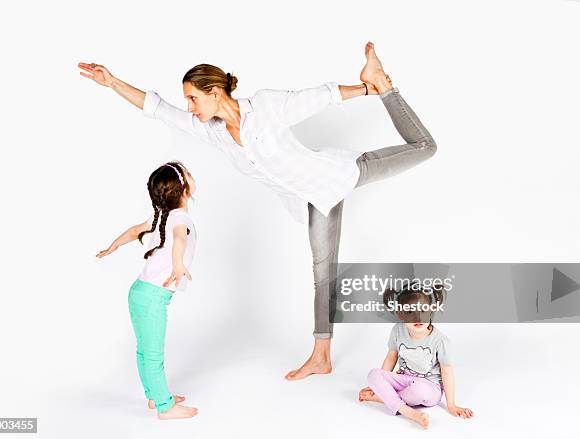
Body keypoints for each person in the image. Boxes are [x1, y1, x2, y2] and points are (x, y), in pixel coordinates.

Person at [80, 41, 438, 381]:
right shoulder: (214, 132)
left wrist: (369, 90)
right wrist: (111, 83)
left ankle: (386, 87)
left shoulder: (264, 107)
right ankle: (321, 357)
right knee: (323, 274)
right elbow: (157, 108)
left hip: (340, 174)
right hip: (315, 200)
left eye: (192, 98)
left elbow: (319, 97)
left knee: (425, 147)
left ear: (214, 93)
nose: (190, 106)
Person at [96, 161, 199, 419]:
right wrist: (177, 263)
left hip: (139, 292)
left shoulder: (161, 216)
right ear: (185, 189)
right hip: (153, 297)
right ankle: (165, 407)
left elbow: (133, 231)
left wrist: (113, 247)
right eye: (189, 174)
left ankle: (155, 396)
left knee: (144, 350)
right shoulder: (180, 218)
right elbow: (179, 238)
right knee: (152, 354)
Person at [358, 284, 474, 428]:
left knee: (420, 391)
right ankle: (407, 410)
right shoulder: (397, 330)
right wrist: (378, 383)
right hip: (405, 379)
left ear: (431, 311)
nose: (417, 317)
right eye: (410, 312)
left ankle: (384, 399)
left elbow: (447, 371)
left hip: (430, 387)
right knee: (373, 375)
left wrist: (451, 405)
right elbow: (391, 357)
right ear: (400, 314)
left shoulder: (440, 341)